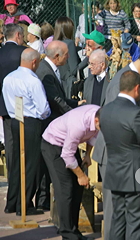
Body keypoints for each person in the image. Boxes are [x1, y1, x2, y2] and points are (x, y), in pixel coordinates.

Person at [92, 45, 140, 240]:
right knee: (115, 218)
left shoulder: (129, 78)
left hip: (120, 157)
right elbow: (112, 120)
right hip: (116, 156)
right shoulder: (122, 81)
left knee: (121, 219)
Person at [101, 70, 140, 239]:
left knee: (118, 221)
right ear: (137, 88)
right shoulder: (136, 113)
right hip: (136, 176)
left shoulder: (105, 110)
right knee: (135, 225)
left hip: (115, 173)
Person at [35, 41, 85, 210]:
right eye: (66, 54)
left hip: (54, 123)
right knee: (47, 166)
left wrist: (76, 104)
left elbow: (60, 98)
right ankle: (43, 200)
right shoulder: (45, 71)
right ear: (57, 56)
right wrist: (73, 112)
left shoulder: (50, 69)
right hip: (49, 127)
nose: (69, 56)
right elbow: (55, 100)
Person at [3, 48, 51, 216]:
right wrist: (43, 115)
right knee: (30, 164)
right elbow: (43, 108)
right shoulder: (33, 81)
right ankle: (24, 204)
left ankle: (12, 201)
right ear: (34, 62)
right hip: (31, 122)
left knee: (17, 162)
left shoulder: (9, 78)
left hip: (15, 121)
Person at [41, 104, 100, 240]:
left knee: (77, 188)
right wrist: (81, 175)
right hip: (53, 145)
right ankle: (67, 233)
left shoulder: (99, 114)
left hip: (69, 144)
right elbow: (67, 155)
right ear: (96, 121)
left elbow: (94, 135)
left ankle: (74, 230)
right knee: (65, 188)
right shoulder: (78, 125)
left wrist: (87, 156)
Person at [0, 23, 27, 214]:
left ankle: (12, 200)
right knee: (26, 154)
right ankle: (23, 202)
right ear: (18, 35)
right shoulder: (25, 53)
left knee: (12, 154)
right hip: (25, 110)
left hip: (5, 110)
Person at [53, 16, 81, 99]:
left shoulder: (54, 44)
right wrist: (87, 59)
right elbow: (74, 70)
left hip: (58, 85)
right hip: (69, 86)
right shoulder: (69, 44)